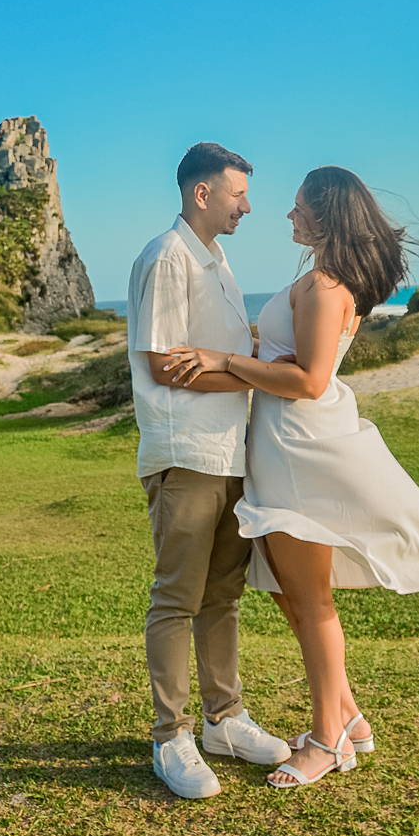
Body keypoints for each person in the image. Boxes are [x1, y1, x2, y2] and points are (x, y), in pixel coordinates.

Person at [163, 165, 419, 789]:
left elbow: (309, 382)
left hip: (301, 450)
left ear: (326, 217)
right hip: (281, 448)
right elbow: (289, 360)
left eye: (299, 207)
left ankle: (328, 740)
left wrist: (227, 360)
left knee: (311, 600)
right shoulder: (316, 280)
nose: (287, 215)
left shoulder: (328, 285)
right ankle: (349, 718)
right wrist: (252, 355)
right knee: (283, 587)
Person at [127, 142, 291, 800]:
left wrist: (241, 360)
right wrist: (252, 370)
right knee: (177, 598)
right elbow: (169, 364)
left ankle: (225, 720)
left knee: (222, 596)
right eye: (237, 194)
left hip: (229, 454)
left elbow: (216, 357)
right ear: (202, 193)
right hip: (185, 455)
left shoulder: (216, 259)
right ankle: (172, 736)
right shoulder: (168, 257)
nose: (247, 206)